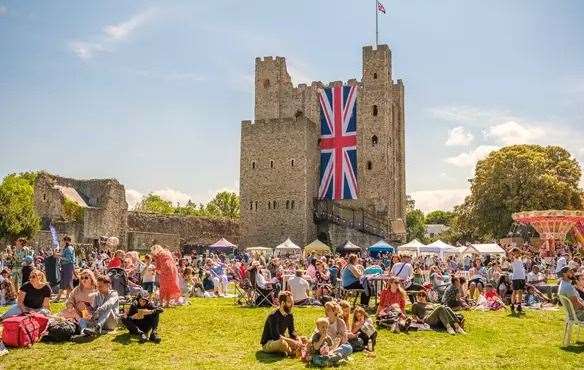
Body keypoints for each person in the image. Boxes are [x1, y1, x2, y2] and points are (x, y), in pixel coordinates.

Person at [260, 291, 301, 356]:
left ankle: (294, 349)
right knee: (282, 343)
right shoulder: (273, 316)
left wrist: (298, 340)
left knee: (303, 339)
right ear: (282, 303)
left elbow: (292, 332)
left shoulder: (289, 315)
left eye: (292, 302)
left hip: (282, 339)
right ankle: (292, 352)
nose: (292, 304)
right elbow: (276, 336)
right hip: (270, 342)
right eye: (289, 302)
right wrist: (293, 342)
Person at [58, 236, 76, 301]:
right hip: (66, 266)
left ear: (67, 241)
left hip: (68, 266)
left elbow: (68, 259)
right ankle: (66, 298)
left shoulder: (69, 248)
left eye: (63, 240)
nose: (63, 242)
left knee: (65, 281)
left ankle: (59, 297)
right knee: (67, 282)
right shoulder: (66, 248)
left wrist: (59, 256)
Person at [510, 248, 526, 315]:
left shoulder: (521, 258)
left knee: (520, 291)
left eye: (518, 252)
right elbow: (508, 253)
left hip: (522, 277)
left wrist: (520, 251)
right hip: (515, 277)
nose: (517, 253)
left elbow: (528, 254)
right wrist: (513, 249)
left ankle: (519, 305)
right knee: (514, 291)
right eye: (515, 252)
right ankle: (512, 305)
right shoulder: (512, 258)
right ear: (513, 253)